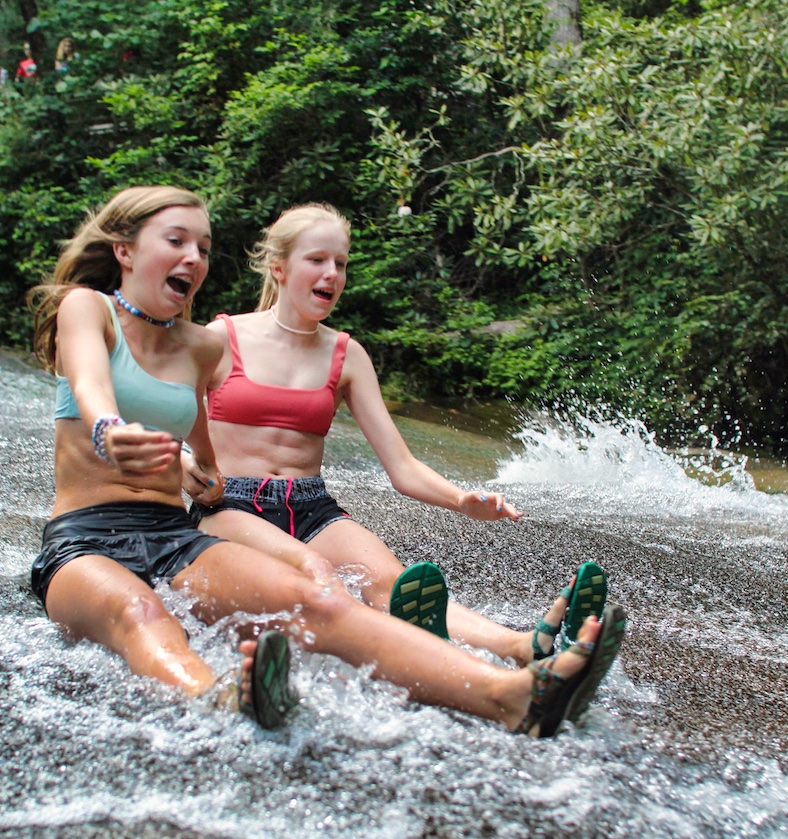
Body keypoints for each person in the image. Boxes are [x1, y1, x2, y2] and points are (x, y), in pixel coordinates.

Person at [25, 185, 625, 735]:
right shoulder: (88, 308)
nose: (194, 258)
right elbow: (88, 381)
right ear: (124, 251)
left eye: (204, 247)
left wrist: (197, 471)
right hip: (84, 539)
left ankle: (512, 694)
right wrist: (110, 429)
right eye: (176, 241)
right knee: (141, 612)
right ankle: (220, 696)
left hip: (177, 534)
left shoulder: (201, 345)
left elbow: (202, 453)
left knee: (322, 598)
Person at [190, 202, 608, 666]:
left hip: (310, 506)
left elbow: (402, 466)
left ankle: (524, 646)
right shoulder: (222, 337)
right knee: (321, 575)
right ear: (280, 267)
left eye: (341, 263)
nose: (332, 273)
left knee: (395, 583)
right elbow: (178, 433)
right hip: (231, 505)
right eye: (317, 260)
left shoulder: (347, 355)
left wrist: (462, 500)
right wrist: (189, 470)